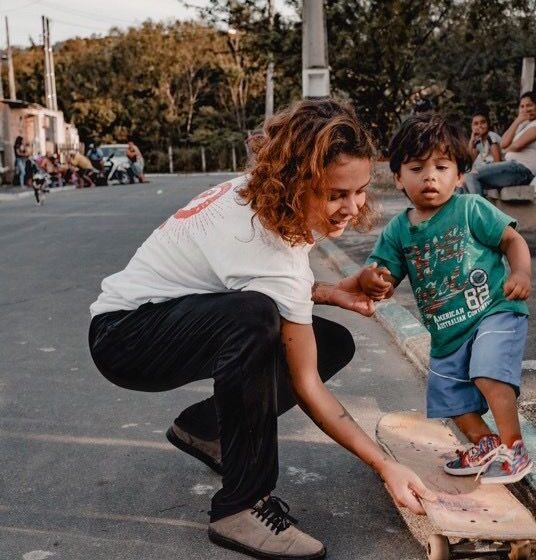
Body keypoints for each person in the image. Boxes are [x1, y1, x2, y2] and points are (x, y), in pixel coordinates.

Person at [88, 99, 429, 560]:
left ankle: (209, 430)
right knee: (255, 319)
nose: (352, 208)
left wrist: (335, 290)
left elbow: (252, 279)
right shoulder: (262, 243)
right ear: (295, 182)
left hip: (153, 318)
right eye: (335, 194)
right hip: (125, 339)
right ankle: (241, 506)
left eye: (360, 191)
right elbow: (305, 381)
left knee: (330, 341)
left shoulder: (257, 193)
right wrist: (386, 465)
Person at [360, 113, 534, 485]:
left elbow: (512, 240)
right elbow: (385, 275)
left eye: (441, 167)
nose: (430, 177)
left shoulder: (470, 209)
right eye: (416, 168)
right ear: (397, 177)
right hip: (446, 332)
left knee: (488, 372)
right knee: (450, 399)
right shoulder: (398, 230)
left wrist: (520, 273)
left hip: (493, 311)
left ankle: (514, 447)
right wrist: (377, 283)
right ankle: (484, 443)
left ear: (458, 175)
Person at [464, 91, 536, 194]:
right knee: (464, 181)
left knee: (471, 175)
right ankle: (464, 210)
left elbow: (517, 146)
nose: (525, 109)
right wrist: (518, 121)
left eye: (529, 105)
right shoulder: (524, 125)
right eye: (522, 106)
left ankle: (477, 210)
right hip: (512, 168)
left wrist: (506, 149)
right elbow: (504, 143)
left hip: (522, 170)